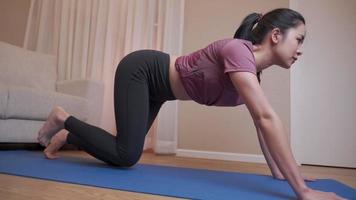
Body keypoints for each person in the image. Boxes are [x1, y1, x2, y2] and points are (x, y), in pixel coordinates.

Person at [38, 8, 345, 200]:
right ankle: (63, 118)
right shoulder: (239, 52)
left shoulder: (252, 74)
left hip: (159, 91)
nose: (300, 50)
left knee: (125, 152)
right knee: (126, 155)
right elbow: (267, 117)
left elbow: (260, 125)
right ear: (276, 35)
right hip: (143, 70)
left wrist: (280, 173)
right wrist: (302, 191)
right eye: (299, 39)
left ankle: (70, 135)